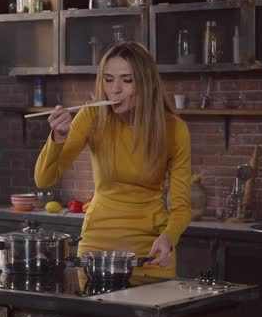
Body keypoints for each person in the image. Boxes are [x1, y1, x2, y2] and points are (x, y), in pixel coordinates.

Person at [34, 41, 191, 278]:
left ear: (146, 84)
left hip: (150, 254)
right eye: (108, 79)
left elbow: (181, 207)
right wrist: (58, 137)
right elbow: (44, 180)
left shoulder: (174, 130)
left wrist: (169, 238)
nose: (114, 89)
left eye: (127, 80)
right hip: (97, 252)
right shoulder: (91, 116)